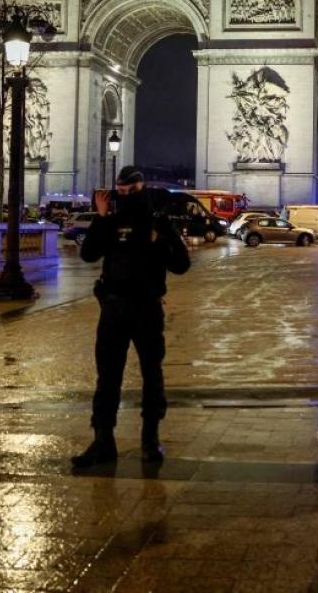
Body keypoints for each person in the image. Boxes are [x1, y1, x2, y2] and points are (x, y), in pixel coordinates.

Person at [72, 166, 190, 468]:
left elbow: (181, 264)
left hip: (146, 308)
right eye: (120, 193)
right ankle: (102, 441)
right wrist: (100, 217)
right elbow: (88, 255)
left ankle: (150, 440)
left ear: (143, 188)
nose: (125, 197)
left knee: (152, 374)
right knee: (107, 377)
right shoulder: (109, 223)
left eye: (131, 192)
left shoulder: (159, 223)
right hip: (112, 308)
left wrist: (158, 240)